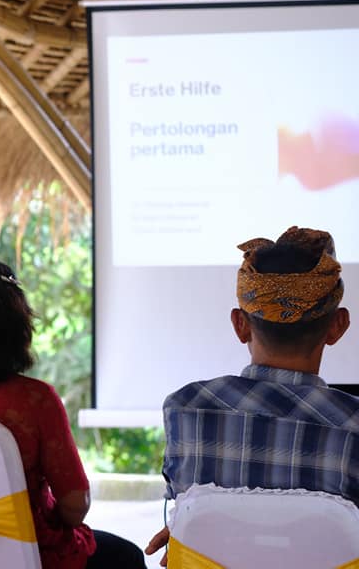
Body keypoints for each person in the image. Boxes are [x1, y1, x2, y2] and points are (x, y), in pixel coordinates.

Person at [0, 259, 147, 569]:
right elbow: (75, 505)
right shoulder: (35, 400)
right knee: (126, 556)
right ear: (11, 322)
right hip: (34, 554)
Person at [145, 225, 358, 564]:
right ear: (338, 325)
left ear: (239, 324)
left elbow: (191, 516)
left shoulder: (185, 409)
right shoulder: (352, 426)